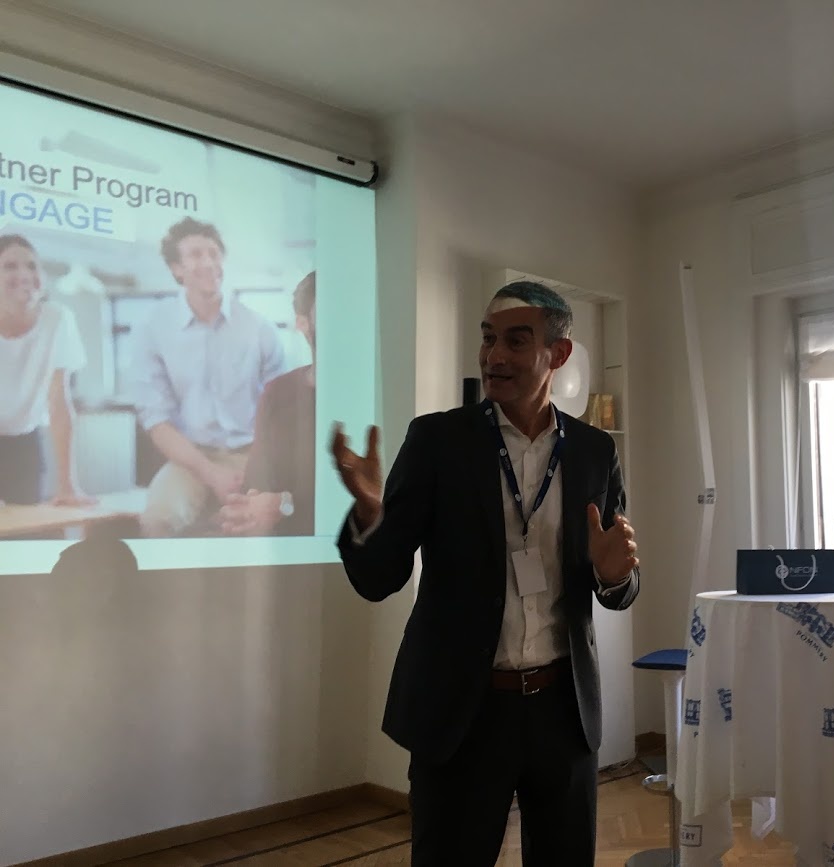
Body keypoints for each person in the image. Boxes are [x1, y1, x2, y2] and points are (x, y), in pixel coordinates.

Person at [331, 281, 640, 866]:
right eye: (488, 338)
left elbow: (619, 584)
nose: (494, 355)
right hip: (464, 713)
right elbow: (379, 578)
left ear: (558, 353)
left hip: (563, 712)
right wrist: (372, 515)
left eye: (516, 342)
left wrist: (614, 576)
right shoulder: (437, 441)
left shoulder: (595, 452)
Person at [130, 217, 286, 536]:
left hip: (253, 454)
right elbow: (156, 420)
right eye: (196, 255)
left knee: (258, 523)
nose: (209, 263)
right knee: (156, 521)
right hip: (191, 458)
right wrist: (211, 473)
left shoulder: (259, 327)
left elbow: (282, 410)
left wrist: (261, 465)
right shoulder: (152, 328)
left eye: (214, 253)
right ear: (176, 269)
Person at [217, 271, 317, 537]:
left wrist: (285, 504)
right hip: (279, 545)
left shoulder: (367, 392)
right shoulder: (277, 392)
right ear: (303, 323)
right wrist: (247, 510)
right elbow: (257, 478)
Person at [0, 234, 94, 508]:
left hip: (24, 442)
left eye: (32, 266)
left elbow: (59, 403)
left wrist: (67, 485)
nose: (24, 275)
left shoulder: (57, 319)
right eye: (9, 266)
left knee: (30, 525)